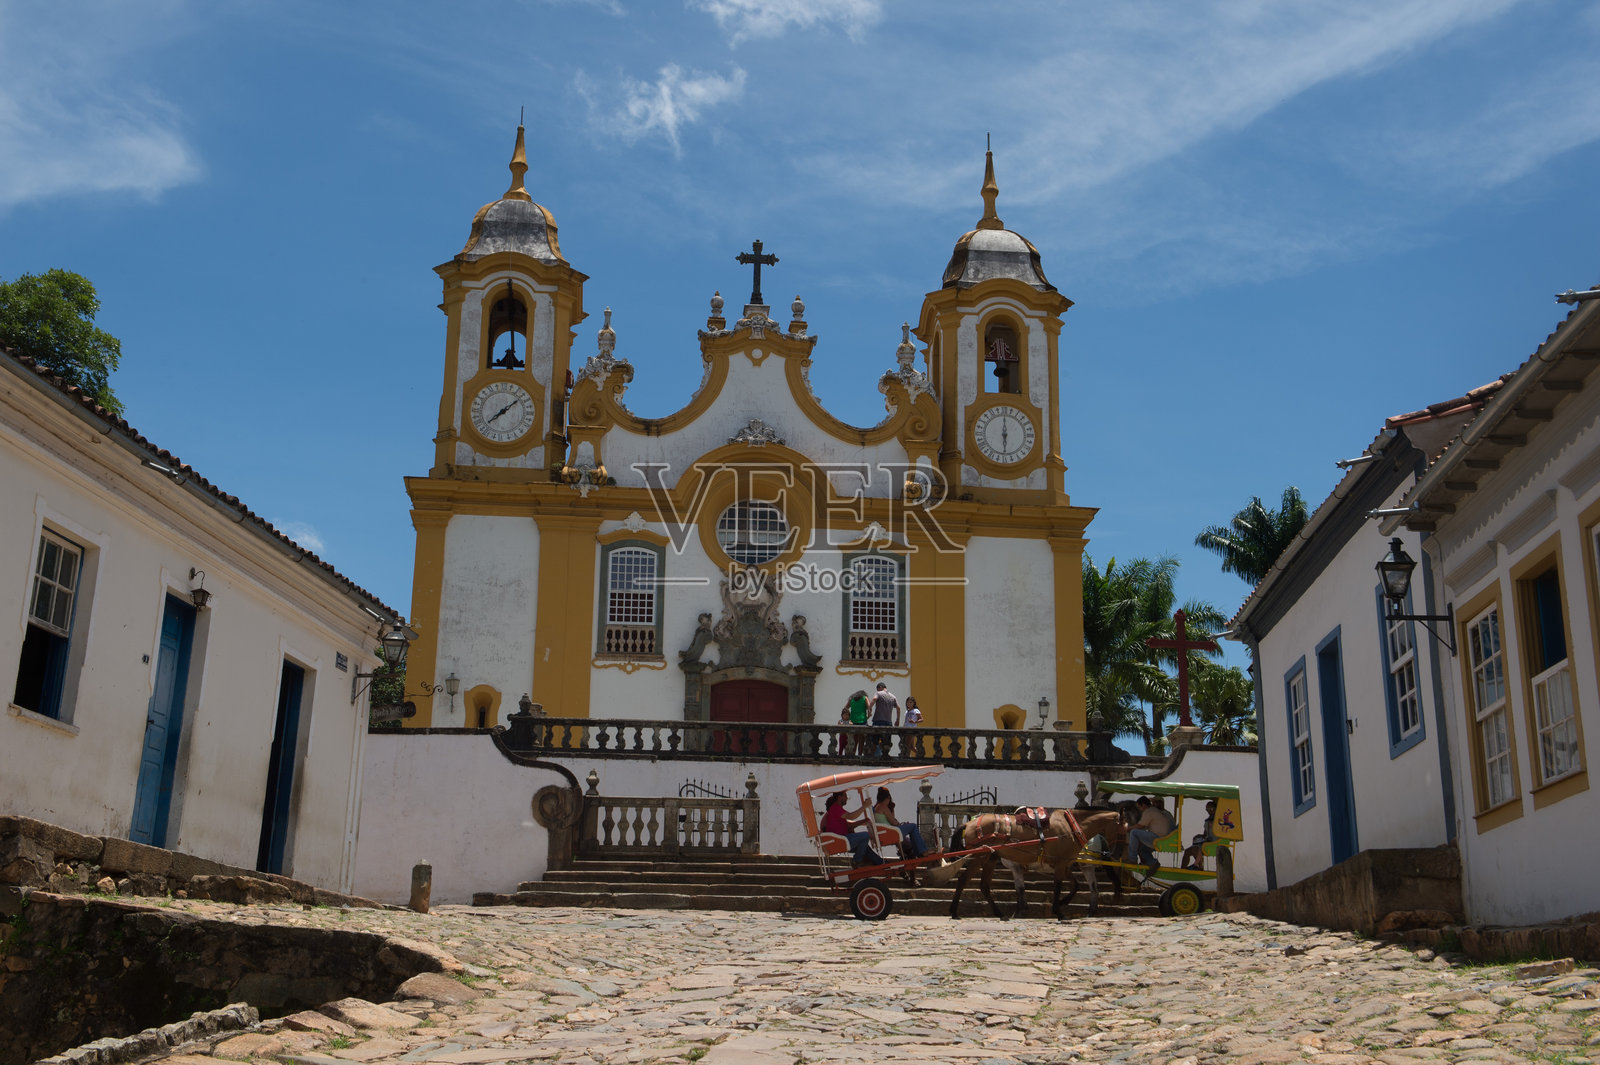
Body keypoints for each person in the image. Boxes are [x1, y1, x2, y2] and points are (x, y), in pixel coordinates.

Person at [820, 791, 881, 867]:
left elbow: (849, 825)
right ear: (839, 797)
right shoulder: (835, 808)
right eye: (845, 796)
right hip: (842, 841)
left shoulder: (834, 810)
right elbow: (851, 816)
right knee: (865, 835)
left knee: (865, 847)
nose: (847, 798)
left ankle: (881, 863)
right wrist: (864, 806)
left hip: (842, 840)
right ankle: (857, 861)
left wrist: (863, 821)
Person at [1125, 795, 1176, 876]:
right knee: (1142, 849)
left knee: (1134, 832)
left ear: (1144, 805)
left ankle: (1132, 859)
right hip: (1162, 836)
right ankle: (1152, 863)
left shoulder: (1149, 811)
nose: (1140, 810)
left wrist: (1128, 828)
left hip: (1158, 837)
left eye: (1140, 807)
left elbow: (1140, 826)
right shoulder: (1155, 810)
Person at [1181, 800, 1217, 869]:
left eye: (1211, 809)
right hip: (1207, 840)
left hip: (1213, 842)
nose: (1209, 811)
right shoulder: (1208, 820)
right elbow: (1205, 834)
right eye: (1207, 809)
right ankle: (1183, 869)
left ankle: (1198, 866)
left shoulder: (1218, 819)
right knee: (1187, 851)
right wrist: (1199, 836)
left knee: (1196, 849)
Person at [870, 682, 900, 756]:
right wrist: (897, 720)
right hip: (888, 722)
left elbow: (874, 699)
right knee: (886, 743)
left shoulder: (879, 693)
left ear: (880, 687)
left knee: (874, 741)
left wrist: (869, 708)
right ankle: (885, 757)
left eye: (878, 689)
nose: (877, 690)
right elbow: (898, 708)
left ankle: (873, 757)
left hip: (878, 720)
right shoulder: (893, 697)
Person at [845, 690, 870, 756]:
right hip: (862, 721)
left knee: (854, 739)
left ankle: (853, 754)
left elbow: (846, 708)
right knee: (861, 740)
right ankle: (859, 754)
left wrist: (849, 717)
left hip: (853, 721)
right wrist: (868, 716)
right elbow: (869, 708)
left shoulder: (851, 699)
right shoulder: (865, 698)